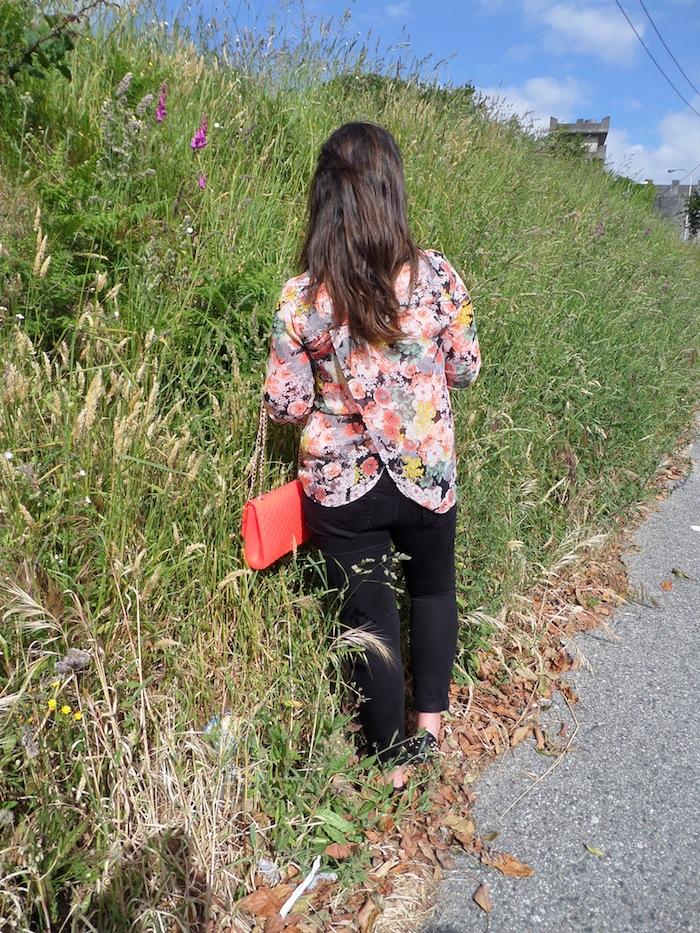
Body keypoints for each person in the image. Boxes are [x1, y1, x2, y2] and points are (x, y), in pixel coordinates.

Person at [263, 121, 481, 791]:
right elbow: (467, 367)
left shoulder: (303, 295)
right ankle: (430, 733)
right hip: (425, 473)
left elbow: (286, 405)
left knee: (369, 614)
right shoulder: (437, 275)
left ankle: (386, 764)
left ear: (324, 196)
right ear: (393, 190)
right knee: (433, 589)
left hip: (343, 483)